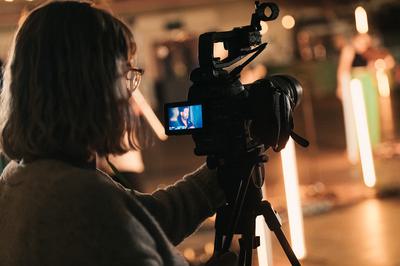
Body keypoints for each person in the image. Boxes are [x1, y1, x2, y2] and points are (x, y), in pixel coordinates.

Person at [0, 2, 236, 265]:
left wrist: (222, 173)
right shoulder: (82, 198)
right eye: (123, 74)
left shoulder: (20, 177)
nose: (129, 91)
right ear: (90, 87)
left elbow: (149, 220)